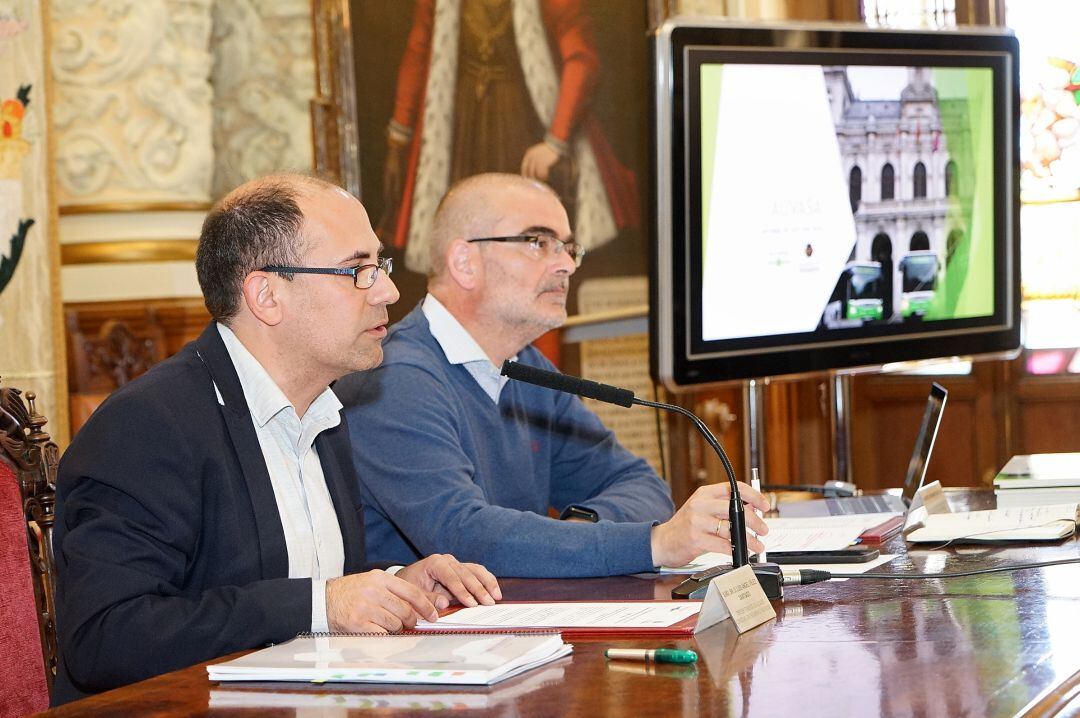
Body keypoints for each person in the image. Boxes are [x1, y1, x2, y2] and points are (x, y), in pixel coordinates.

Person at [51, 174, 501, 704]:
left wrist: (396, 587)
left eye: (380, 266)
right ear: (266, 295)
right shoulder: (147, 427)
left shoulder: (323, 411)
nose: (388, 291)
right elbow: (106, 636)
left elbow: (302, 581)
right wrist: (322, 607)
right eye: (357, 270)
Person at [336, 173, 767, 578]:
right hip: (420, 646)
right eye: (539, 242)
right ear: (465, 262)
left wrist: (581, 530)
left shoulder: (525, 367)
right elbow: (464, 537)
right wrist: (653, 543)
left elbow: (638, 483)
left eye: (567, 247)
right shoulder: (393, 378)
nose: (566, 265)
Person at [381, 0, 638, 273]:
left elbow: (582, 60)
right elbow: (418, 54)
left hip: (522, 121)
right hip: (463, 126)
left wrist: (555, 141)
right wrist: (399, 138)